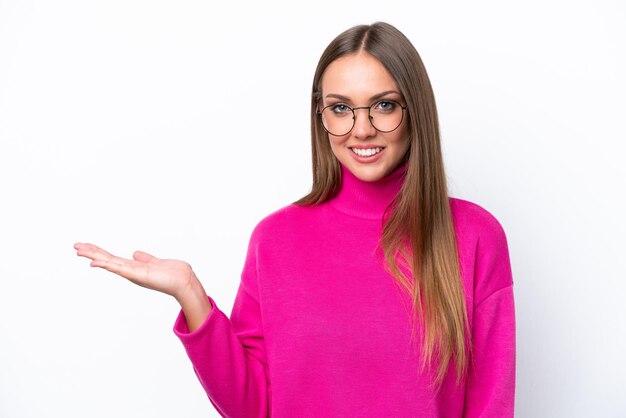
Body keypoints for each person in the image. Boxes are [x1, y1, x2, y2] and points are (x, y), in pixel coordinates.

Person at [74, 21, 515, 417]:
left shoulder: (474, 236)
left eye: (383, 105)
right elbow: (253, 406)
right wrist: (191, 295)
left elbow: (490, 404)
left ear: (414, 111)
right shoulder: (275, 239)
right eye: (341, 108)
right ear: (320, 116)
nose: (361, 129)